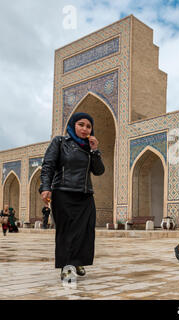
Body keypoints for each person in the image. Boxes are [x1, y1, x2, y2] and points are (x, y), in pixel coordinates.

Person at [39, 112, 105, 281]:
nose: (84, 129)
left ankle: (77, 261)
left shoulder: (89, 148)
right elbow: (48, 165)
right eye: (81, 124)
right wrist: (45, 187)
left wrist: (95, 150)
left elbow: (99, 171)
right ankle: (67, 266)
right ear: (73, 125)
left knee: (85, 232)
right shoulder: (60, 142)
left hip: (85, 195)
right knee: (66, 232)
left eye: (88, 126)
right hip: (63, 192)